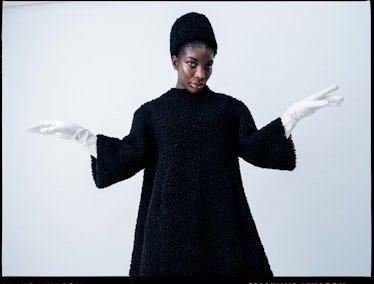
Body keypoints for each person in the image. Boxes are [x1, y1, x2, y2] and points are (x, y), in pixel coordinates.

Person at [28, 12, 343, 277]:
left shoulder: (229, 109)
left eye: (208, 65)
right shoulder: (151, 113)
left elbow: (256, 147)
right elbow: (128, 155)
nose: (200, 74)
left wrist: (291, 117)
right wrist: (84, 137)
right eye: (192, 64)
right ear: (174, 60)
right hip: (168, 238)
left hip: (222, 231)